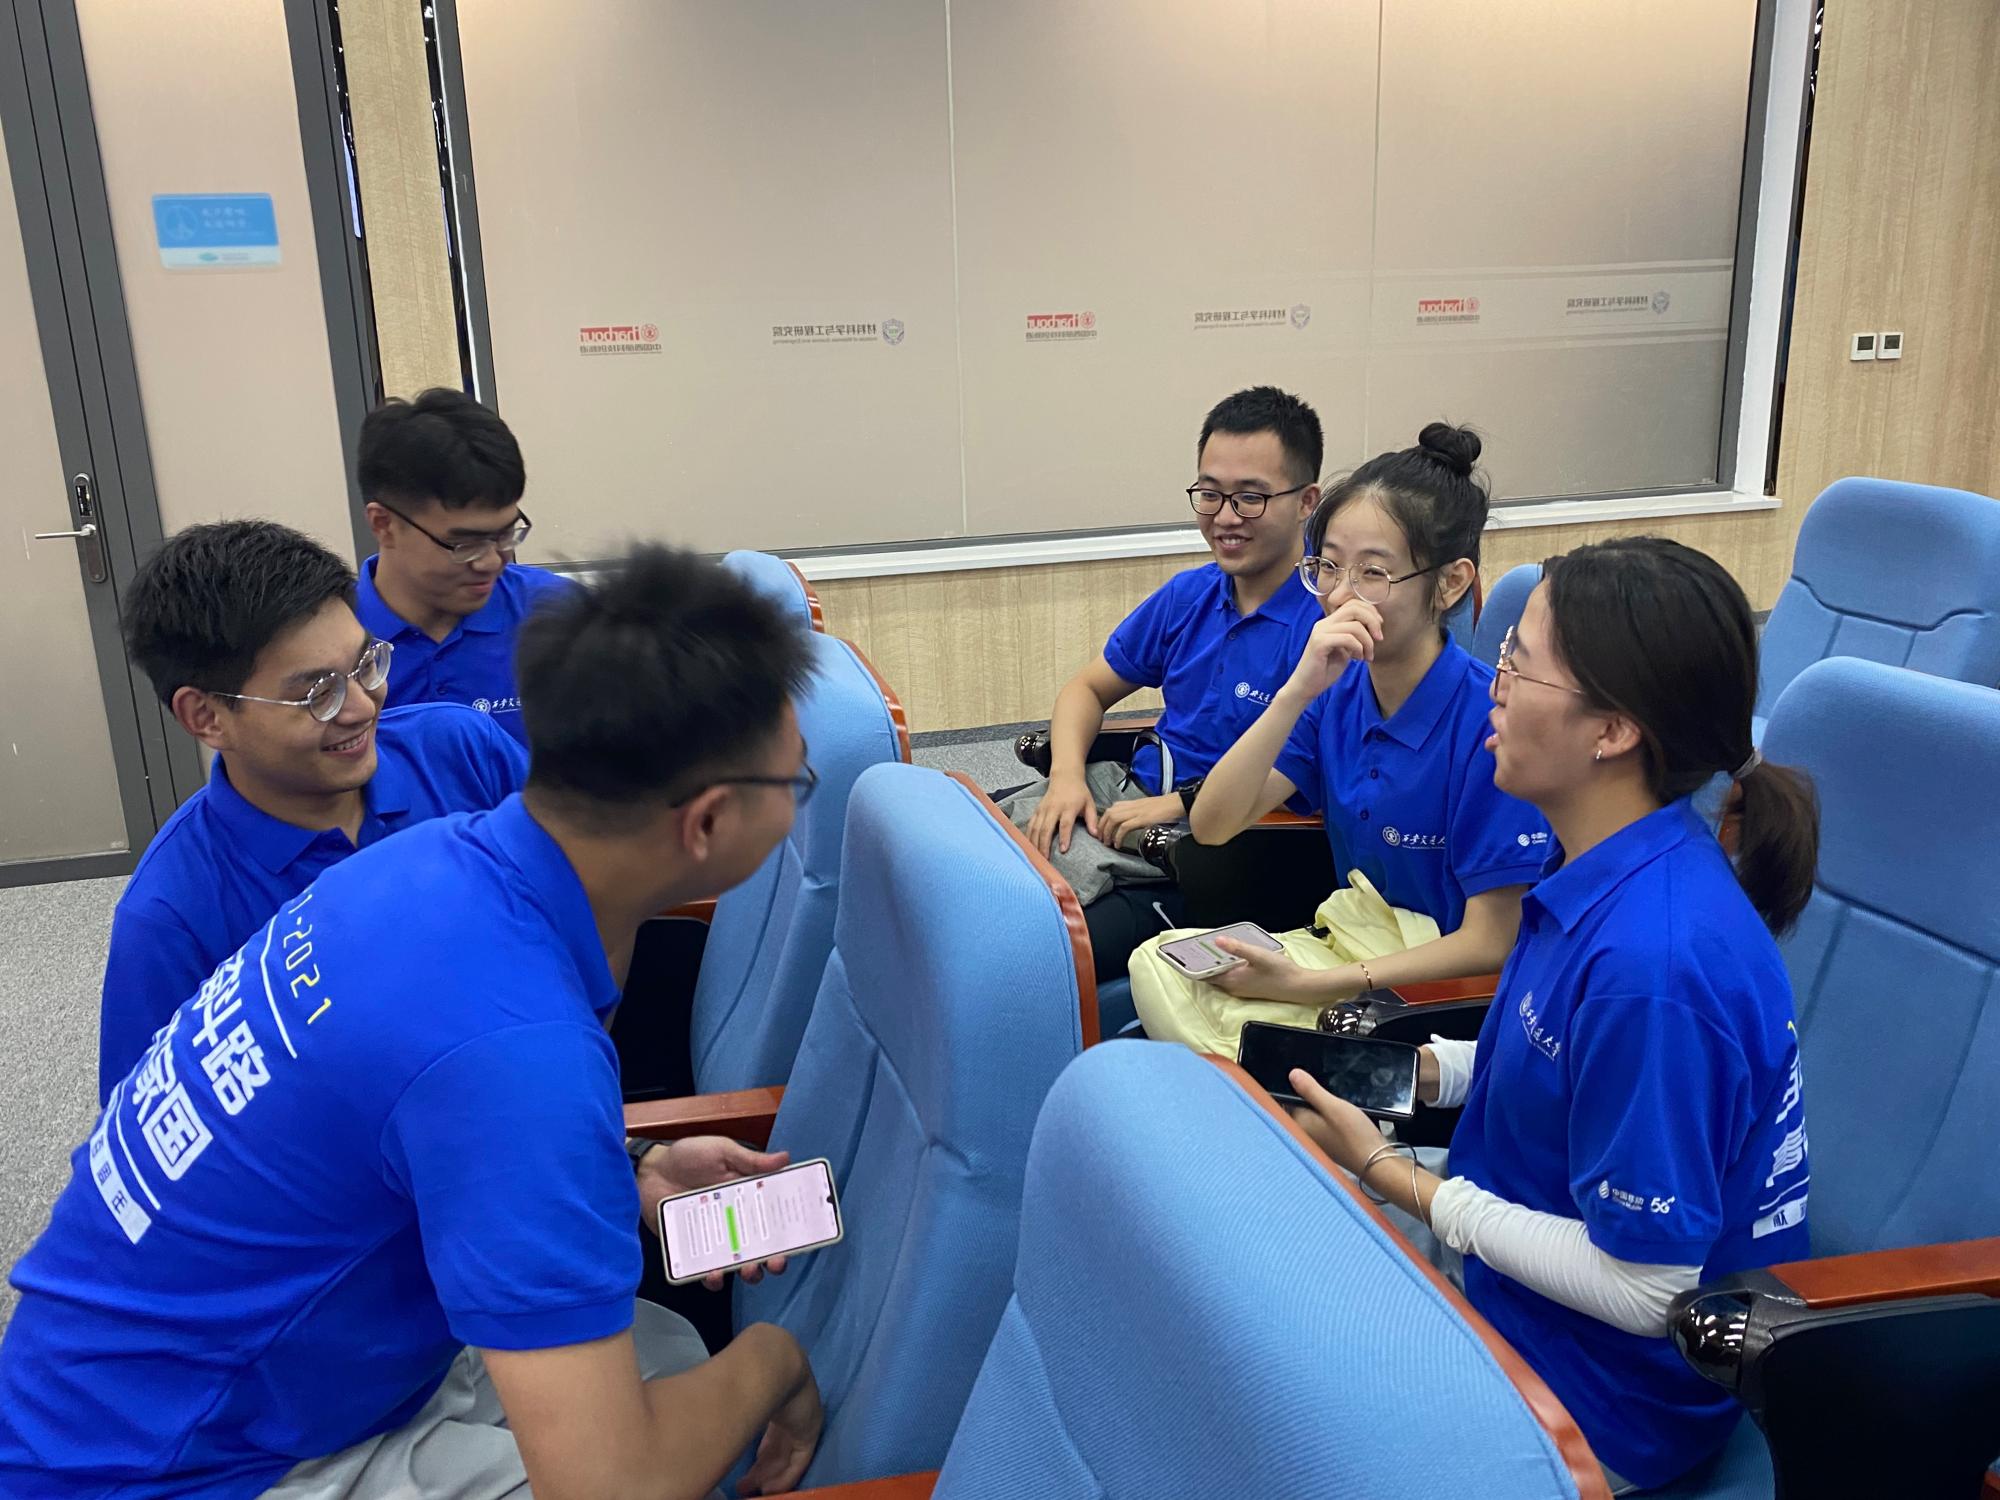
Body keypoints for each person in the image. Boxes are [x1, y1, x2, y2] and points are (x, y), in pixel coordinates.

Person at [1, 547, 826, 1500]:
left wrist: (625, 1164)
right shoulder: (511, 1051)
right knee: (693, 1441)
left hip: (215, 1370)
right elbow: (608, 1486)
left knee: (670, 1357)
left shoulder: (425, 857)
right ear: (708, 822)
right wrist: (776, 1361)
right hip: (182, 1465)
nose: (356, 705)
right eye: (795, 786)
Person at [1288, 537, 1818, 1493]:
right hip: (1509, 1284)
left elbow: (1647, 1287)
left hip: (1597, 1398)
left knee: (1274, 1417)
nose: (1491, 687)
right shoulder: (1592, 858)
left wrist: (1390, 1174)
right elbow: (1551, 1053)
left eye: (1517, 663)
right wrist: (1429, 1072)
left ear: (1611, 731)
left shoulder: (1655, 967)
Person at [1129, 425, 1549, 1051]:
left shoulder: (1491, 723)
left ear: (1450, 583)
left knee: (1233, 1042)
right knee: (1157, 963)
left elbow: (1492, 942)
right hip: (1347, 942)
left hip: (1430, 990)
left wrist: (1310, 985)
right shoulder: (1336, 690)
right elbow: (1213, 825)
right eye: (1327, 566)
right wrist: (1296, 690)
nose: (1340, 595)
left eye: (1373, 572)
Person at [100, 520, 526, 1097]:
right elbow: (152, 1130)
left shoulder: (461, 751)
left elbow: (584, 893)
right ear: (207, 718)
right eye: (316, 693)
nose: (362, 708)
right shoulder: (171, 916)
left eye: (366, 664)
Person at [1005, 385, 1326, 981]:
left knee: (1028, 947)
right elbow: (1086, 690)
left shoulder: (1326, 628)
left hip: (1208, 856)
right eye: (1210, 493)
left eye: (1250, 497)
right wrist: (1068, 777)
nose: (1224, 517)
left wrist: (1177, 806)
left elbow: (1303, 773)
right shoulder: (1190, 595)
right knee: (966, 867)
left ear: (1307, 500)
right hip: (1126, 802)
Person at [354, 387, 579, 744]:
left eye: (505, 535)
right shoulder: (331, 645)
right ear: (384, 524)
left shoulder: (563, 617)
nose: (491, 562)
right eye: (465, 544)